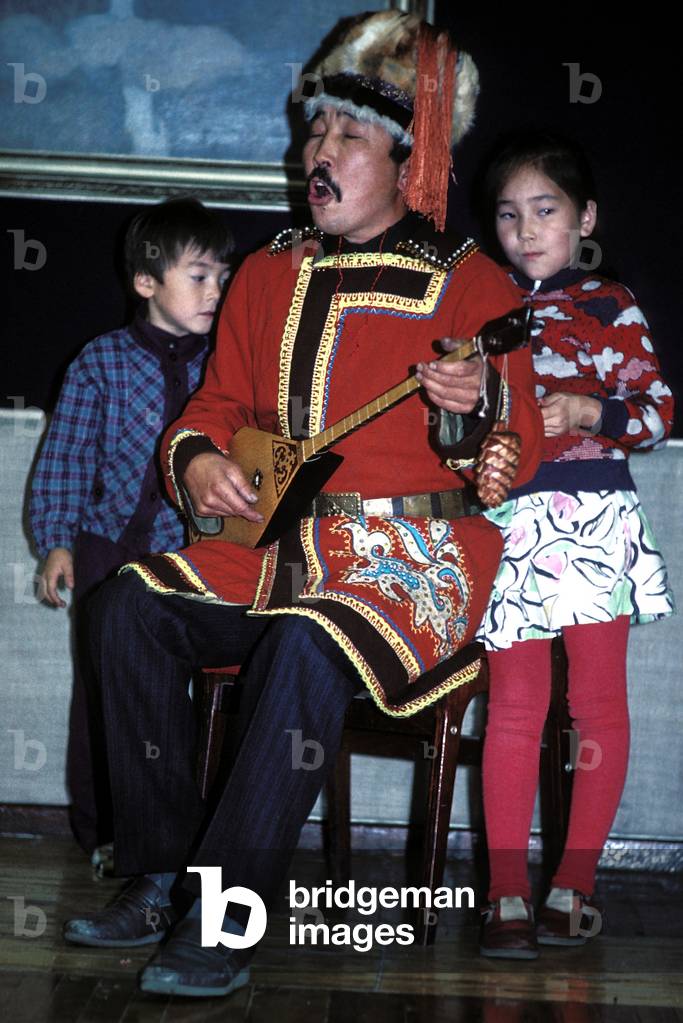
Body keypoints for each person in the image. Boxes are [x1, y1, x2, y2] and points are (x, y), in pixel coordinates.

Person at [62, 12, 542, 999]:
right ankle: (159, 873)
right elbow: (211, 409)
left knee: (303, 637)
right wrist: (196, 464)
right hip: (270, 553)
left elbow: (513, 450)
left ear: (408, 163)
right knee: (125, 608)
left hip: (412, 563)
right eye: (313, 133)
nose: (317, 154)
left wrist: (474, 403)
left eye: (346, 137)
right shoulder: (265, 275)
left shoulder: (471, 288)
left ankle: (224, 917)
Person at [475, 131, 675, 959]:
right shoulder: (479, 310)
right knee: (515, 710)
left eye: (545, 210)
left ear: (583, 217)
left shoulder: (608, 303)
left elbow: (659, 414)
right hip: (509, 524)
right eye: (509, 214)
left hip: (594, 522)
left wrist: (589, 413)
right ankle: (504, 895)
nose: (525, 229)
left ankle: (573, 884)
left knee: (596, 705)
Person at [29, 198, 233, 852]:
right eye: (198, 276)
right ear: (146, 282)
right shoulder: (101, 361)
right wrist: (57, 540)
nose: (215, 290)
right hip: (103, 550)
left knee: (167, 698)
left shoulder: (224, 366)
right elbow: (65, 457)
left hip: (188, 560)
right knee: (102, 698)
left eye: (221, 277)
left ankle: (172, 833)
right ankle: (103, 833)